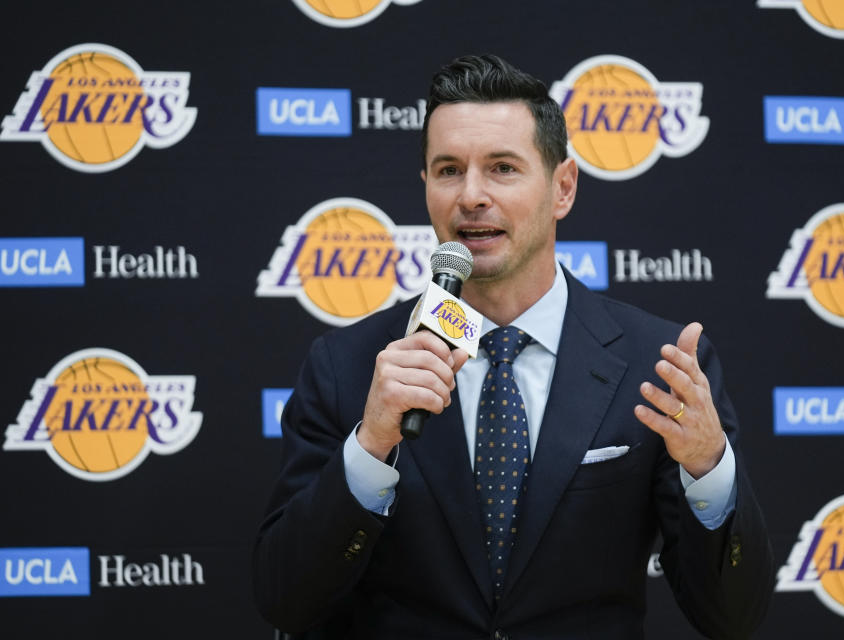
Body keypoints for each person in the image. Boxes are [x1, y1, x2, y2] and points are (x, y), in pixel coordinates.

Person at [253, 54, 775, 639]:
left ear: (563, 187)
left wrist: (708, 468)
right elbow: (283, 600)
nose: (471, 196)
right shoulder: (348, 367)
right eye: (448, 170)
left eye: (502, 168)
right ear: (426, 186)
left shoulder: (659, 365)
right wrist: (371, 446)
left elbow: (733, 616)